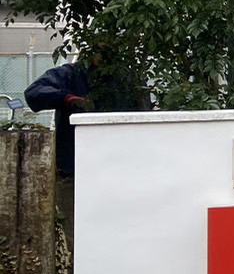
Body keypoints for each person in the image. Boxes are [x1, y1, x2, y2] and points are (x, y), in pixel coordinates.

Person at [24, 45, 145, 247]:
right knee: (77, 238)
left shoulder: (126, 80)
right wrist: (67, 99)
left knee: (118, 234)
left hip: (118, 172)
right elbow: (35, 93)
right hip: (74, 172)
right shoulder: (70, 74)